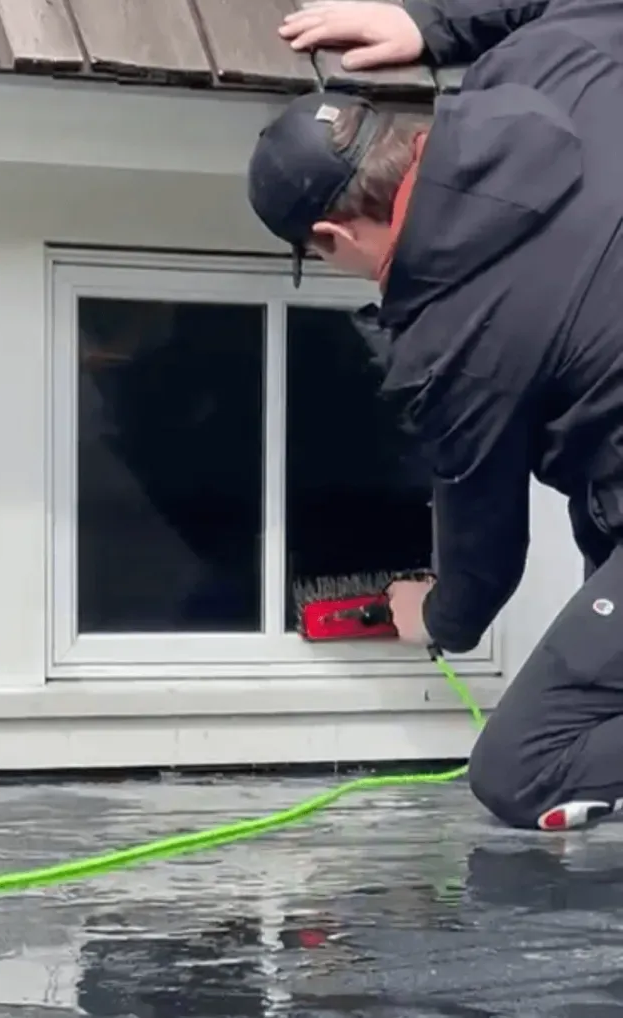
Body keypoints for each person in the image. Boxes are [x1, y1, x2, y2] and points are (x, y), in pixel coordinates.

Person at [247, 0, 623, 832]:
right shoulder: (546, 63)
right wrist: (432, 25)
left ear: (330, 236)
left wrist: (436, 617)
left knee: (525, 770)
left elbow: (486, 567)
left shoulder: (453, 346)